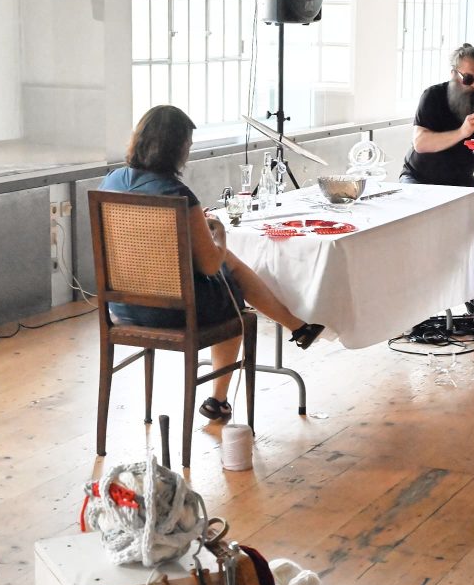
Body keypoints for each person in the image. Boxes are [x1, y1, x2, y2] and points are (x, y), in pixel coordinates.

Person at [99, 105, 323, 422]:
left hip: (124, 308)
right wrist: (217, 233)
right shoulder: (177, 193)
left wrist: (195, 229)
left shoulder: (111, 182)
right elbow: (209, 265)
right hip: (174, 311)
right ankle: (219, 398)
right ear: (176, 148)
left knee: (228, 270)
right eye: (188, 146)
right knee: (234, 300)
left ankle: (298, 327)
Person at [400, 43, 474, 224]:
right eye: (468, 78)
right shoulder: (433, 96)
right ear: (454, 74)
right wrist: (463, 132)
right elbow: (420, 143)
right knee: (425, 221)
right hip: (420, 177)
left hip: (460, 179)